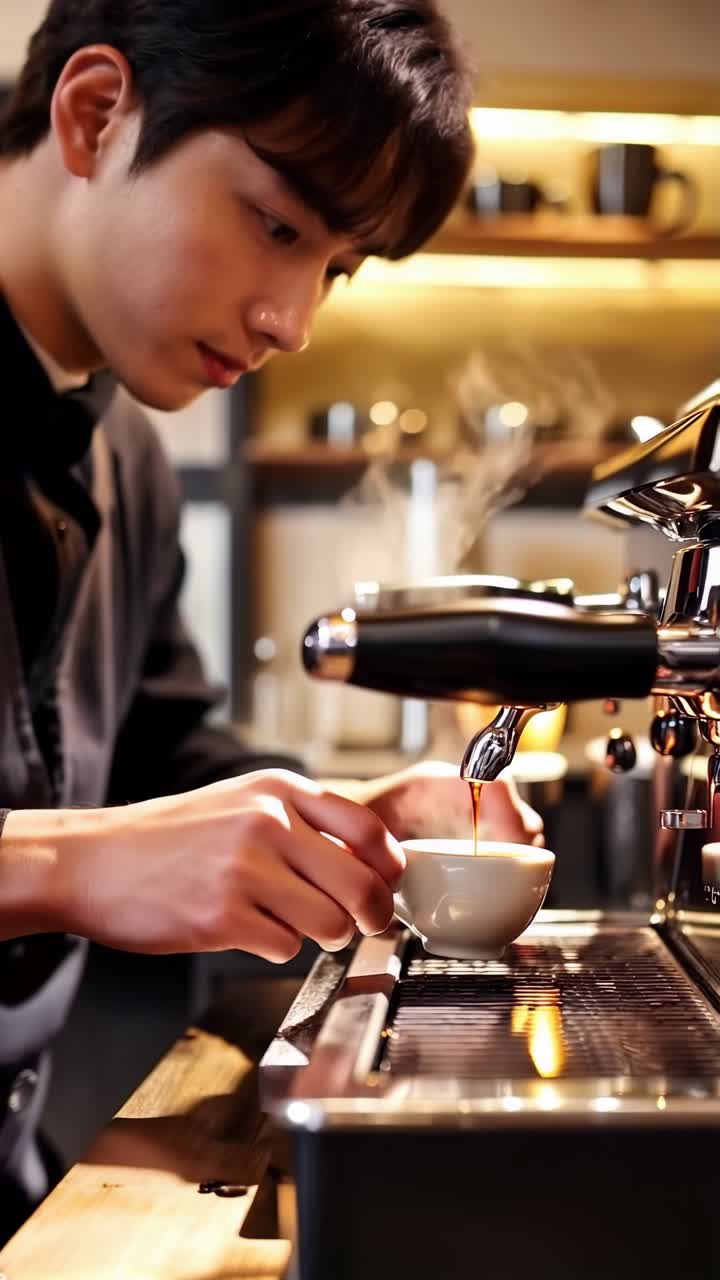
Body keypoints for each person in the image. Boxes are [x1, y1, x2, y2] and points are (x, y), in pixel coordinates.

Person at [0, 0, 543, 1241]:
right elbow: (104, 835)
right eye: (278, 224)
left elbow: (162, 758)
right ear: (96, 113)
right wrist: (68, 865)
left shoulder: (122, 453)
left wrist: (352, 821)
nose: (293, 321)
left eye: (334, 269)